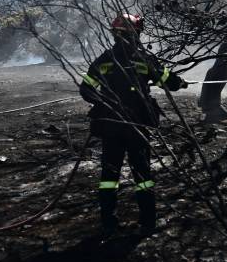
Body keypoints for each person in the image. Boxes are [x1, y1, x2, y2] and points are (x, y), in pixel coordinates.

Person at [79, 13, 187, 237]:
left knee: (109, 176)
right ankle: (148, 222)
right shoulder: (144, 59)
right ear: (137, 33)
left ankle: (108, 222)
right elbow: (167, 81)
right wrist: (181, 82)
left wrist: (106, 104)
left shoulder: (105, 59)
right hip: (138, 127)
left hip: (111, 127)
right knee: (143, 176)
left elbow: (86, 89)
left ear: (115, 34)